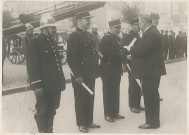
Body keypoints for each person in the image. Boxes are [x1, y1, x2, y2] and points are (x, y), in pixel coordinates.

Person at [27, 13, 66, 133]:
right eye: (52, 27)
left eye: (55, 27)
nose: (55, 30)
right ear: (44, 28)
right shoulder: (35, 42)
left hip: (54, 84)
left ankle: (49, 130)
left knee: (52, 109)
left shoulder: (52, 42)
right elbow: (32, 66)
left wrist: (61, 81)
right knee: (42, 110)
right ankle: (43, 131)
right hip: (43, 85)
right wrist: (37, 85)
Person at [127, 14, 166, 129]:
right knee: (152, 95)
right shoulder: (153, 32)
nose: (139, 25)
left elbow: (144, 50)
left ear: (144, 22)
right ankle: (153, 121)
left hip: (151, 71)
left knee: (150, 96)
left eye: (139, 23)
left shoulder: (150, 33)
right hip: (153, 70)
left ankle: (152, 122)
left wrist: (130, 48)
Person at [67, 11, 100, 133]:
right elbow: (71, 58)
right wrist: (78, 75)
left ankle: (89, 120)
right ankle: (81, 123)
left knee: (90, 96)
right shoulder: (74, 36)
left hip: (90, 73)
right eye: (87, 19)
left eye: (89, 19)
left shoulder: (89, 35)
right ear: (79, 21)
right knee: (81, 99)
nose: (89, 22)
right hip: (81, 75)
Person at [100, 19, 125, 122]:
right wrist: (123, 57)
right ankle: (108, 114)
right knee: (108, 92)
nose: (118, 30)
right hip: (108, 69)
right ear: (110, 28)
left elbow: (119, 50)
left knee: (115, 91)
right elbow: (109, 54)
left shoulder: (116, 38)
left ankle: (115, 112)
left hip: (115, 69)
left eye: (119, 28)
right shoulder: (106, 38)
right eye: (116, 28)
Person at [122, 18, 144, 113]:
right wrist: (126, 57)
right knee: (133, 84)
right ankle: (132, 105)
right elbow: (123, 49)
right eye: (136, 24)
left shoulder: (137, 35)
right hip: (131, 63)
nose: (138, 26)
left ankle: (137, 104)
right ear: (132, 26)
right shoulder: (128, 36)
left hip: (138, 62)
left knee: (138, 83)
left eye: (139, 24)